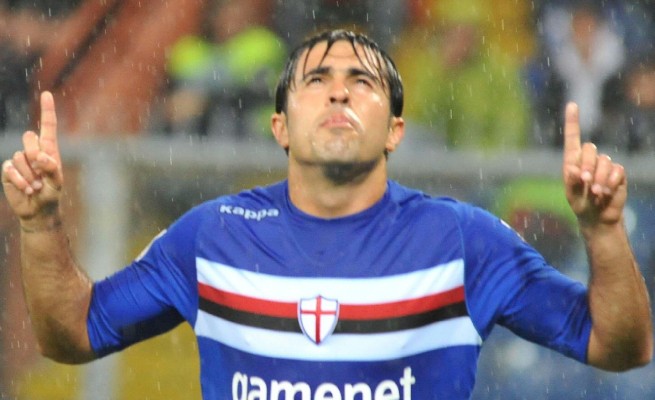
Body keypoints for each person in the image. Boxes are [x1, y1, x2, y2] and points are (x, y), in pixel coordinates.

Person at [1, 30, 652, 399]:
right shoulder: (213, 235)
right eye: (315, 80)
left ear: (395, 131)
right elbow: (73, 334)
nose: (339, 90)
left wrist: (602, 233)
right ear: (280, 127)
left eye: (362, 81)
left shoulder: (463, 240)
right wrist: (39, 223)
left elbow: (618, 346)